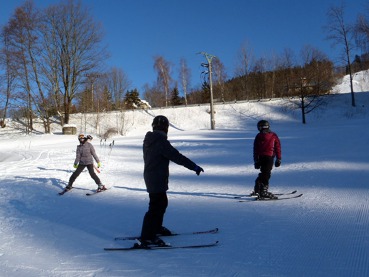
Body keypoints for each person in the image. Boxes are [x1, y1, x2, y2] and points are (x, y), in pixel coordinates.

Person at [137, 115, 204, 248]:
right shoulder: (160, 141)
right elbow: (176, 156)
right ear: (165, 128)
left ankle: (156, 228)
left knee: (160, 203)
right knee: (156, 206)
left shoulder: (150, 139)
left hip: (153, 177)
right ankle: (147, 237)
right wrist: (193, 166)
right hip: (156, 177)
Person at [253, 120, 281, 199]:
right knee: (266, 174)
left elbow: (255, 149)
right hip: (269, 157)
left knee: (264, 173)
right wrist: (278, 158)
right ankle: (263, 191)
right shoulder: (273, 135)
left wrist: (256, 160)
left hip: (261, 157)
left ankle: (258, 189)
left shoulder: (259, 136)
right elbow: (277, 148)